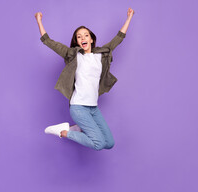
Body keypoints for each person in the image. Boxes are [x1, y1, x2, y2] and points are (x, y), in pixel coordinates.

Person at [34, 8, 135, 150]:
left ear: (91, 39)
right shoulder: (73, 55)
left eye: (86, 35)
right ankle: (64, 132)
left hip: (93, 108)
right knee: (98, 144)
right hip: (79, 107)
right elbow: (49, 42)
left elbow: (118, 38)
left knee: (109, 143)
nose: (83, 38)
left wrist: (129, 18)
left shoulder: (101, 54)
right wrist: (39, 21)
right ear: (77, 42)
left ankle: (77, 129)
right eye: (79, 37)